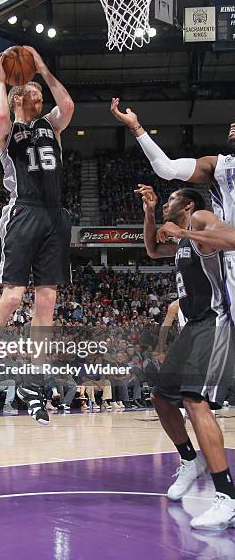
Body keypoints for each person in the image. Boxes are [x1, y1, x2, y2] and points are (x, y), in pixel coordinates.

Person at [0, 45, 74, 425]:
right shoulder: (7, 131)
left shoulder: (51, 126)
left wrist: (43, 68)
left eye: (40, 92)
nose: (40, 95)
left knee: (46, 305)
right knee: (12, 297)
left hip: (55, 214)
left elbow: (69, 105)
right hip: (23, 209)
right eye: (33, 91)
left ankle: (32, 380)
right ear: (17, 98)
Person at [139, 182, 235, 530]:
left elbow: (234, 239)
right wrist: (150, 214)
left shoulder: (203, 219)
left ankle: (227, 496)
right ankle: (190, 460)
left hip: (215, 319)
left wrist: (182, 230)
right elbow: (151, 249)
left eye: (169, 200)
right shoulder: (182, 239)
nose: (166, 204)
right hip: (192, 325)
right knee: (161, 398)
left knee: (195, 401)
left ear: (188, 203)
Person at [111, 99, 235, 321]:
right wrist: (136, 127)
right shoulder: (220, 165)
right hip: (227, 254)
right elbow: (166, 168)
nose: (232, 125)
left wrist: (182, 233)